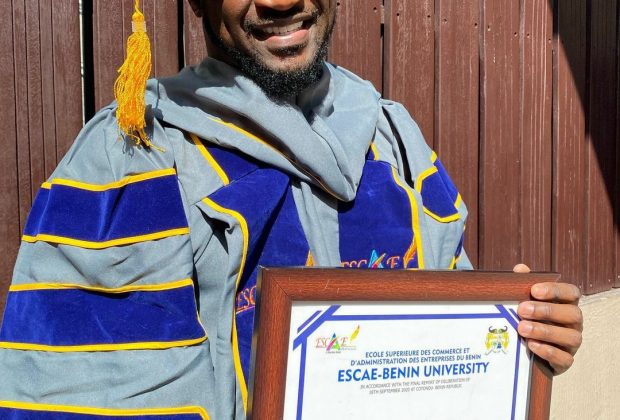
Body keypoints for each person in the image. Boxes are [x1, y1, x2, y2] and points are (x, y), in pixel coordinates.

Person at [0, 0, 582, 419]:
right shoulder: (137, 157)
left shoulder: (392, 137)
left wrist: (523, 337)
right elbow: (91, 394)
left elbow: (453, 340)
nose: (280, 1)